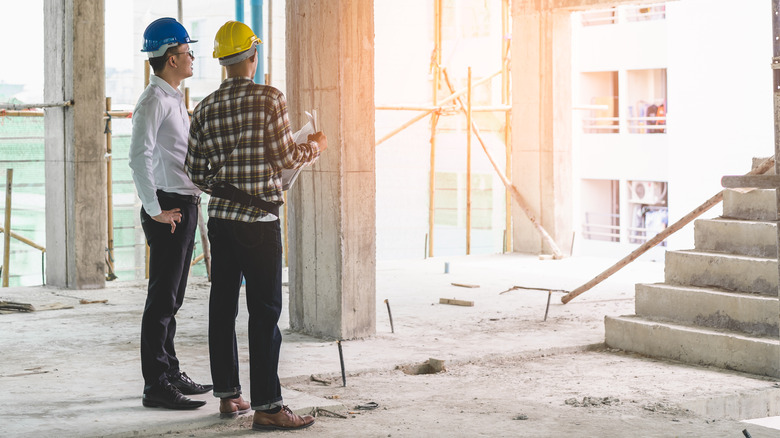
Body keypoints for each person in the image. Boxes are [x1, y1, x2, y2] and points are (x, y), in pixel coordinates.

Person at [186, 20, 327, 430]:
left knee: (222, 308)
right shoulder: (270, 99)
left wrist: (226, 186)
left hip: (221, 221)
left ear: (222, 62)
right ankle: (268, 405)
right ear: (253, 56)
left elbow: (194, 171)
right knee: (264, 312)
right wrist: (314, 147)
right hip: (260, 222)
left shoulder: (205, 107)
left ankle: (229, 397)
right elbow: (285, 158)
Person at [129, 17, 212, 410]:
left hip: (184, 203)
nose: (192, 56)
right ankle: (156, 386)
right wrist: (155, 209)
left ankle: (170, 371)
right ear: (172, 58)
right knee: (162, 299)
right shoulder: (153, 102)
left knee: (173, 298)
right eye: (187, 51)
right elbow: (138, 158)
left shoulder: (173, 98)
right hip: (169, 207)